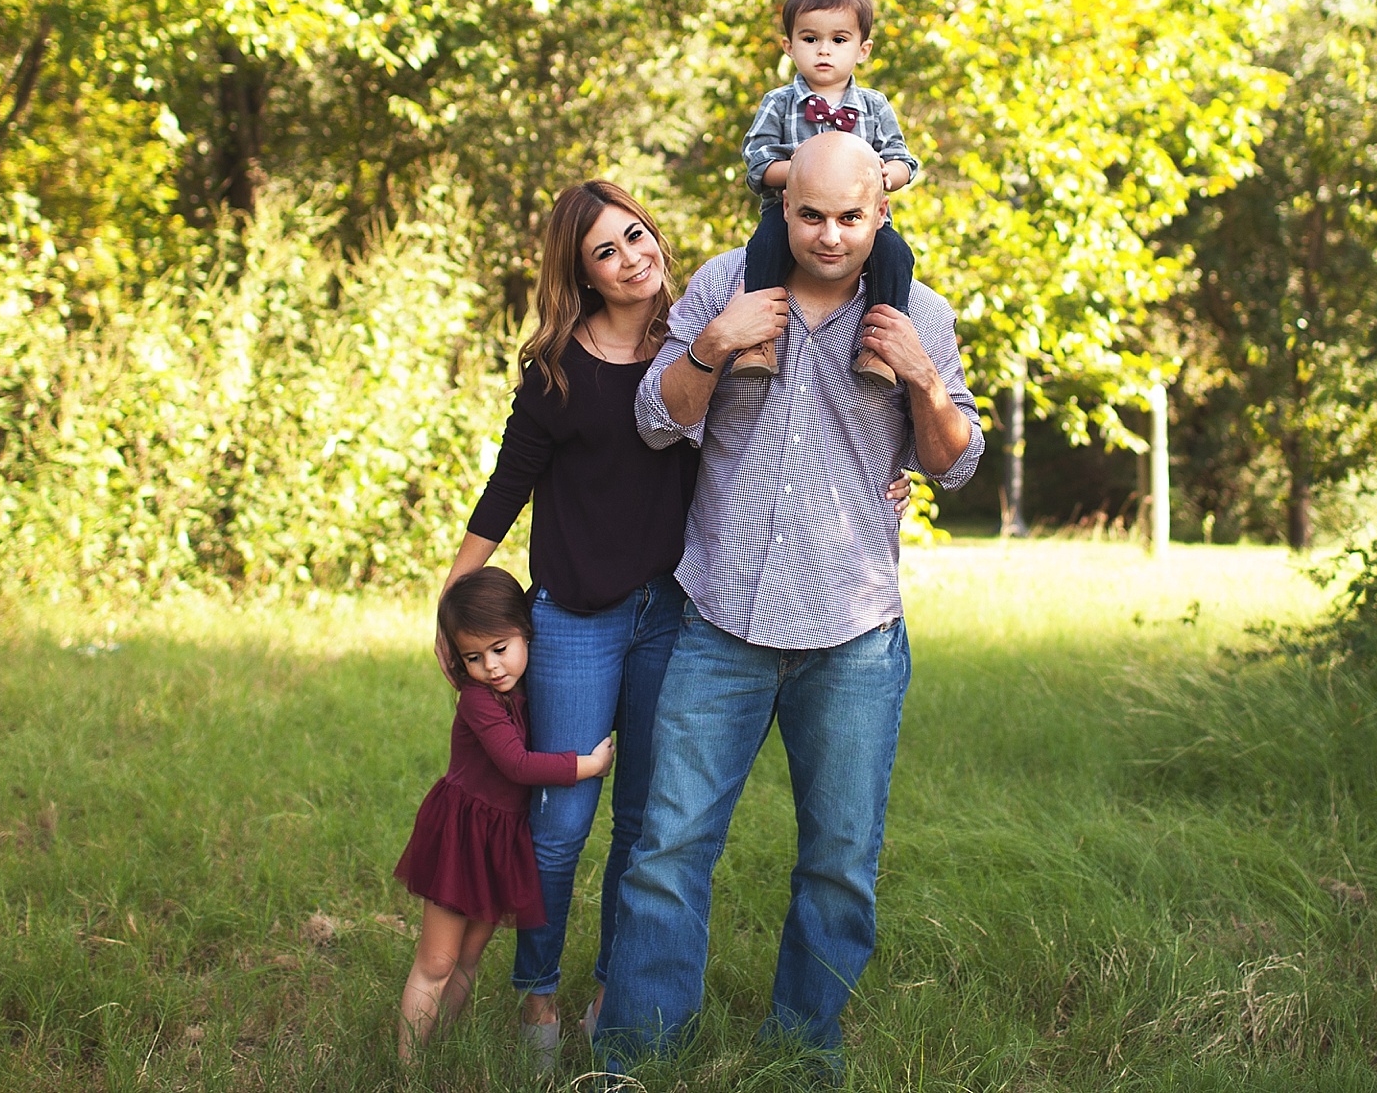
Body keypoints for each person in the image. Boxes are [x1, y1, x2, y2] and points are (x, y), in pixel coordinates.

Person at [595, 130, 984, 1075]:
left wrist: (927, 382)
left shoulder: (918, 312)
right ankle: (641, 1057)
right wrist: (713, 344)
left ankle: (804, 1056)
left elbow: (955, 463)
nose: (830, 234)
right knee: (666, 849)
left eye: (851, 217)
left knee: (839, 864)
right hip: (720, 617)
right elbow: (656, 420)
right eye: (809, 214)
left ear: (880, 214)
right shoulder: (726, 286)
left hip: (852, 634)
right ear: (783, 208)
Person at [437, 181, 700, 1065]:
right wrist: (452, 602)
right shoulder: (555, 369)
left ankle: (611, 994)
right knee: (559, 826)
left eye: (637, 236)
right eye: (606, 252)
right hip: (577, 619)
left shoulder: (699, 345)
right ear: (581, 275)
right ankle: (538, 999)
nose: (633, 258)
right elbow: (507, 486)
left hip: (672, 615)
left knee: (644, 824)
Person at [393, 568, 614, 1062]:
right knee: (437, 961)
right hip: (463, 835)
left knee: (468, 960)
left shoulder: (527, 690)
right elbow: (516, 764)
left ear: (525, 632)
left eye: (500, 648)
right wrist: (588, 766)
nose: (491, 666)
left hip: (500, 838)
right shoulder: (477, 701)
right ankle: (406, 1069)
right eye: (474, 657)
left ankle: (436, 1054)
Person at [733, 0, 920, 384]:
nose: (823, 50)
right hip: (790, 217)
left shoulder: (874, 105)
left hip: (861, 223)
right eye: (810, 38)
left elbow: (903, 158)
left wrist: (890, 173)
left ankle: (879, 348)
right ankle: (757, 341)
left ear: (862, 49)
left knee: (896, 255)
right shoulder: (779, 103)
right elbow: (757, 163)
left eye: (838, 39)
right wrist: (803, 169)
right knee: (764, 248)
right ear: (789, 46)